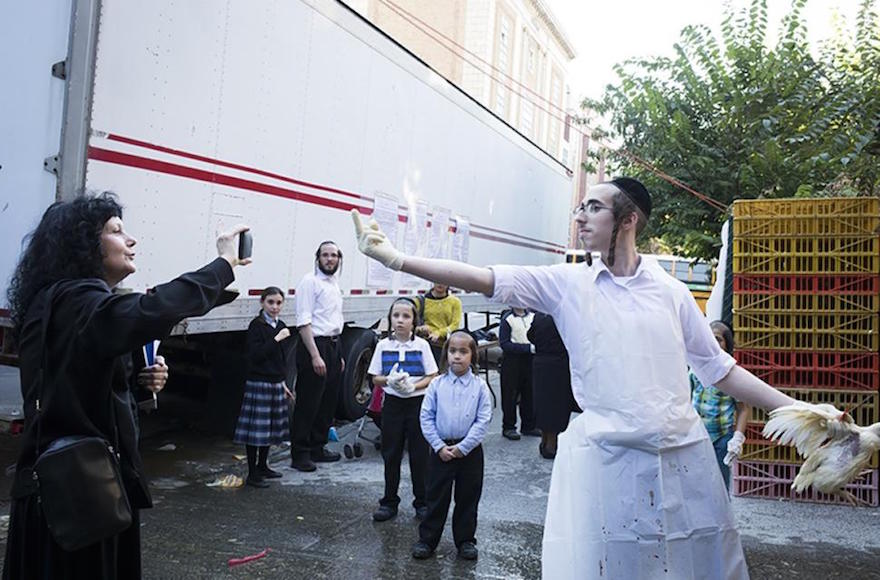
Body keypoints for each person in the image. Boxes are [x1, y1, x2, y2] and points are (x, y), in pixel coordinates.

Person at [351, 177, 806, 579]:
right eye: (579, 208)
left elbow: (719, 369)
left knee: (685, 562)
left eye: (593, 207)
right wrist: (397, 259)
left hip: (678, 461)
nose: (580, 218)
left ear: (628, 219)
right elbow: (485, 278)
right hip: (605, 460)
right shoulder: (568, 283)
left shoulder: (673, 293)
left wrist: (798, 410)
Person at [3, 193, 249, 579]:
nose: (131, 240)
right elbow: (155, 310)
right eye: (117, 231)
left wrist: (137, 384)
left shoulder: (66, 302)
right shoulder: (77, 301)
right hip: (78, 493)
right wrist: (223, 265)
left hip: (71, 488)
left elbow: (76, 381)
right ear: (84, 245)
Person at [412, 331, 492, 561]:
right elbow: (426, 417)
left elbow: (483, 419)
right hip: (441, 451)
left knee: (468, 497)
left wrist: (463, 447)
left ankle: (465, 540)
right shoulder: (436, 384)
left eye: (463, 352)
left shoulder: (479, 387)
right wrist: (438, 447)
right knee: (436, 497)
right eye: (453, 351)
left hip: (469, 451)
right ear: (446, 354)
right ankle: (427, 540)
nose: (457, 356)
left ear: (473, 356)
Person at [367, 298, 438, 522]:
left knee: (419, 455)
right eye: (396, 316)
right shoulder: (383, 345)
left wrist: (414, 386)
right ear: (390, 318)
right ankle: (389, 502)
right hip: (394, 405)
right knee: (391, 453)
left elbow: (432, 375)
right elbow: (375, 377)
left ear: (414, 321)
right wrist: (389, 381)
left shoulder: (422, 345)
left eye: (406, 316)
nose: (400, 320)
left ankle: (422, 502)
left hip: (417, 404)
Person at [291, 241, 345, 472]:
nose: (330, 259)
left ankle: (317, 447)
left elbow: (334, 320)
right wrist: (315, 355)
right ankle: (300, 453)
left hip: (333, 345)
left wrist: (338, 355)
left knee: (327, 401)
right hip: (315, 345)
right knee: (309, 402)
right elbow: (303, 321)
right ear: (318, 258)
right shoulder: (309, 282)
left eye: (333, 255)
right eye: (325, 255)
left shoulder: (333, 283)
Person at [233, 286, 295, 488]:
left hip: (275, 382)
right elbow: (256, 355)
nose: (275, 307)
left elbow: (281, 360)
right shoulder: (256, 326)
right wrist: (276, 339)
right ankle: (252, 473)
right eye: (270, 302)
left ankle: (263, 466)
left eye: (278, 303)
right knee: (255, 430)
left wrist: (283, 382)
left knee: (269, 428)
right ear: (262, 303)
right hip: (259, 382)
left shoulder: (282, 325)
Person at [690, 320, 751, 490]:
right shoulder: (695, 368)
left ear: (727, 344)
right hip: (697, 435)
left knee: (719, 486)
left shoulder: (731, 373)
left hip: (722, 438)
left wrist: (737, 438)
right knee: (695, 483)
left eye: (718, 339)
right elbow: (686, 398)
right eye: (709, 338)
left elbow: (743, 408)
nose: (713, 342)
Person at [527, 312, 578, 459]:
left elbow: (530, 335)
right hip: (560, 364)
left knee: (543, 404)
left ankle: (545, 441)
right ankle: (552, 444)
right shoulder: (567, 316)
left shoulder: (539, 316)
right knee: (558, 405)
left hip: (541, 363)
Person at [499, 306, 539, 440]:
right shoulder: (508, 319)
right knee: (510, 394)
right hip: (512, 361)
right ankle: (509, 427)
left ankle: (529, 425)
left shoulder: (532, 317)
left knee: (530, 392)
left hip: (530, 360)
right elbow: (505, 344)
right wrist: (528, 348)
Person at [416, 282, 462, 364]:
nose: (440, 284)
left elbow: (455, 325)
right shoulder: (420, 301)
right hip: (424, 342)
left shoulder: (455, 302)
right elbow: (411, 322)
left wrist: (439, 333)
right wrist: (420, 328)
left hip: (443, 344)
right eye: (437, 280)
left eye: (443, 281)